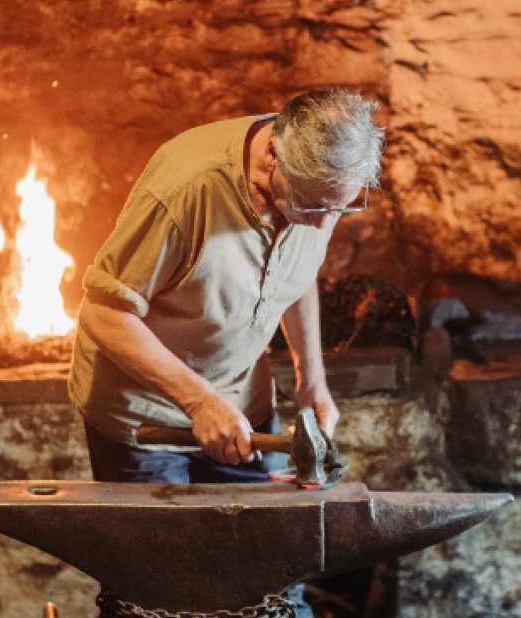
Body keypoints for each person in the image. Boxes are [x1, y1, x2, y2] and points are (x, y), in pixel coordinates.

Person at [68, 88, 383, 616]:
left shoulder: (313, 193)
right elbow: (103, 312)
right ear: (271, 159)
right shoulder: (187, 191)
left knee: (260, 573)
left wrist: (311, 379)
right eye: (313, 207)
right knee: (166, 592)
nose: (326, 224)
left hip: (242, 402)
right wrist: (198, 402)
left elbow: (296, 273)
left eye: (343, 207)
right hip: (146, 421)